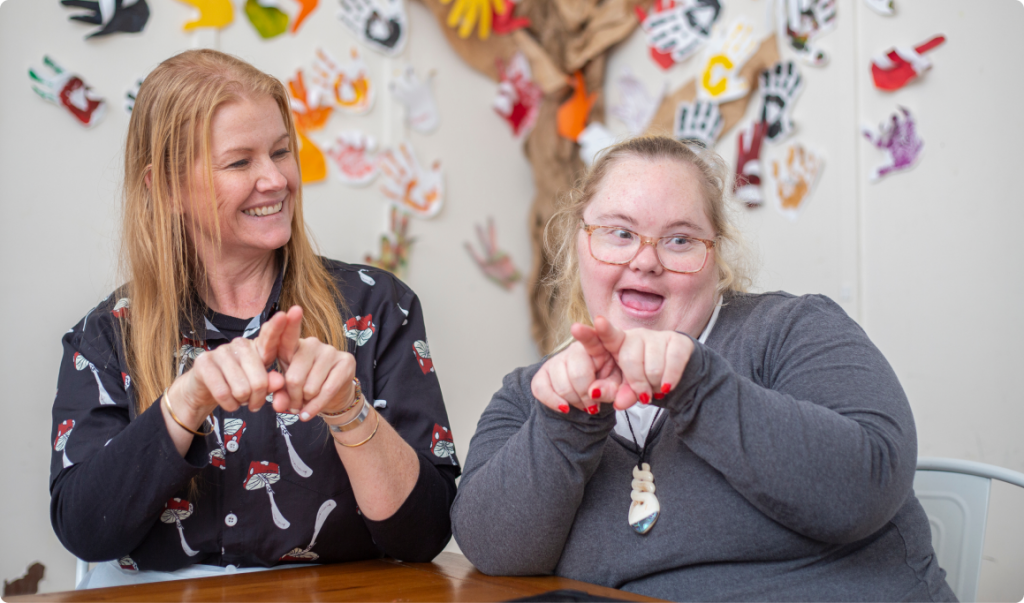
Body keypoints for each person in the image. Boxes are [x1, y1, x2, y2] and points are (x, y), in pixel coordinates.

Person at [450, 136, 955, 602]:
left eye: (680, 240)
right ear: (580, 243)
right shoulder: (532, 393)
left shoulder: (792, 327)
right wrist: (566, 423)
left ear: (717, 257)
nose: (645, 261)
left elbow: (870, 480)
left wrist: (698, 388)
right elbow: (493, 550)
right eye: (619, 232)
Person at [49, 49, 459, 588]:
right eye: (240, 162)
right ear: (166, 188)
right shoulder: (104, 337)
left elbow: (425, 535)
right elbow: (85, 530)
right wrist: (183, 404)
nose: (275, 179)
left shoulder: (379, 306)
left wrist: (347, 410)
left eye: (281, 152)